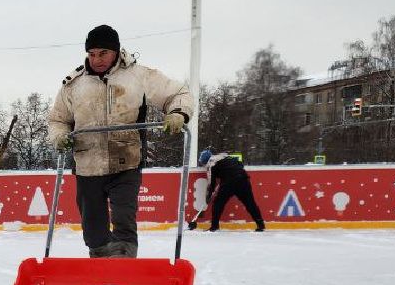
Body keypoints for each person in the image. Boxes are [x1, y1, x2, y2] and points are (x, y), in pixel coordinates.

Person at [47, 24, 192, 257]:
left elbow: (179, 94)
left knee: (124, 216)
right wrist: (59, 136)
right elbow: (57, 119)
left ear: (116, 51)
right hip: (87, 164)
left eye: (103, 53)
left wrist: (177, 113)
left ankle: (124, 260)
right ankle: (101, 262)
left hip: (126, 161)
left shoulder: (139, 76)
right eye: (91, 54)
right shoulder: (73, 84)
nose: (97, 59)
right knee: (93, 228)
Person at [188, 149, 265, 232]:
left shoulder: (211, 164)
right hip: (243, 179)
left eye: (202, 163)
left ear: (205, 160)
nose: (203, 165)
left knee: (218, 204)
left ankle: (214, 226)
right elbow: (239, 164)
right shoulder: (225, 156)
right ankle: (260, 224)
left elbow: (211, 183)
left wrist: (209, 195)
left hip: (229, 183)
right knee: (250, 203)